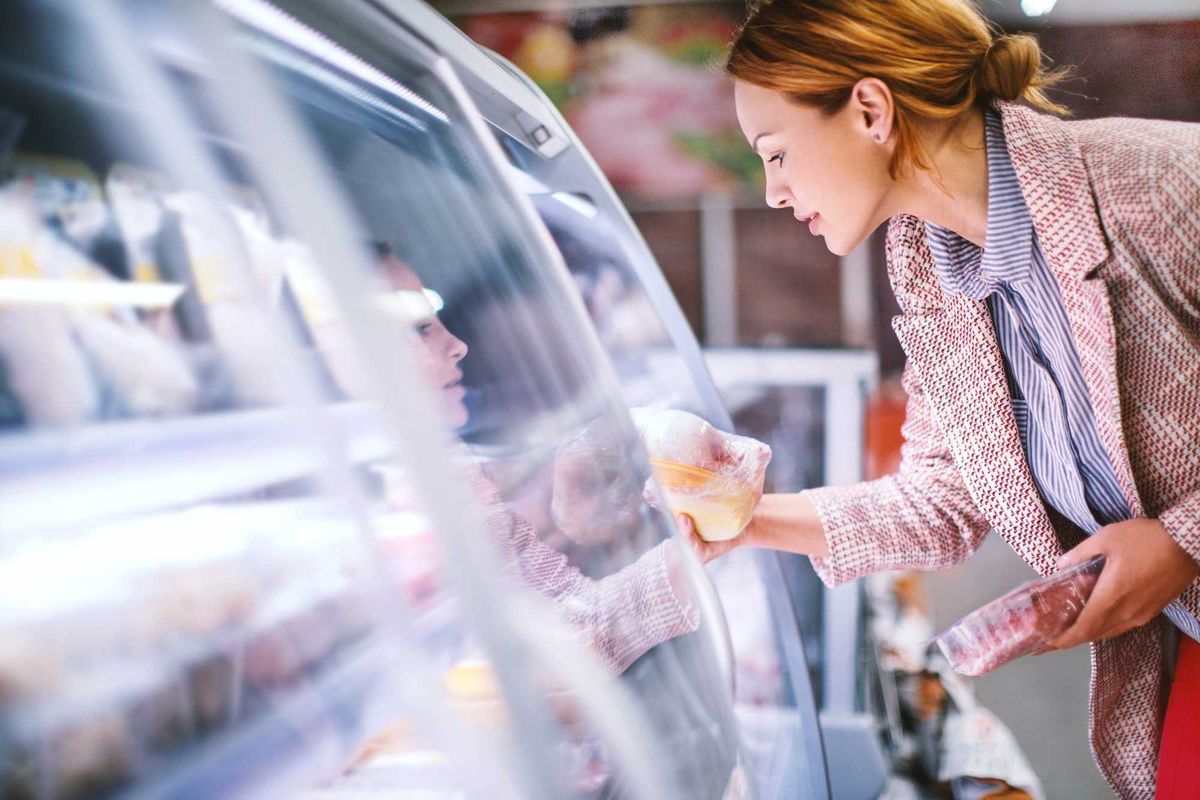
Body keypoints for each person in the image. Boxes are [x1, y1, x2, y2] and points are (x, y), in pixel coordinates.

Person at [684, 1, 1200, 797]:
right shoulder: (928, 264)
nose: (772, 194)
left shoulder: (1156, 181)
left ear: (869, 109)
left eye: (777, 153)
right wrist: (738, 520)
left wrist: (1180, 540)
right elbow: (945, 498)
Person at [373, 245, 699, 675]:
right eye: (419, 329)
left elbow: (580, 628)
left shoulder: (454, 474)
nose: (458, 346)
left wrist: (704, 540)